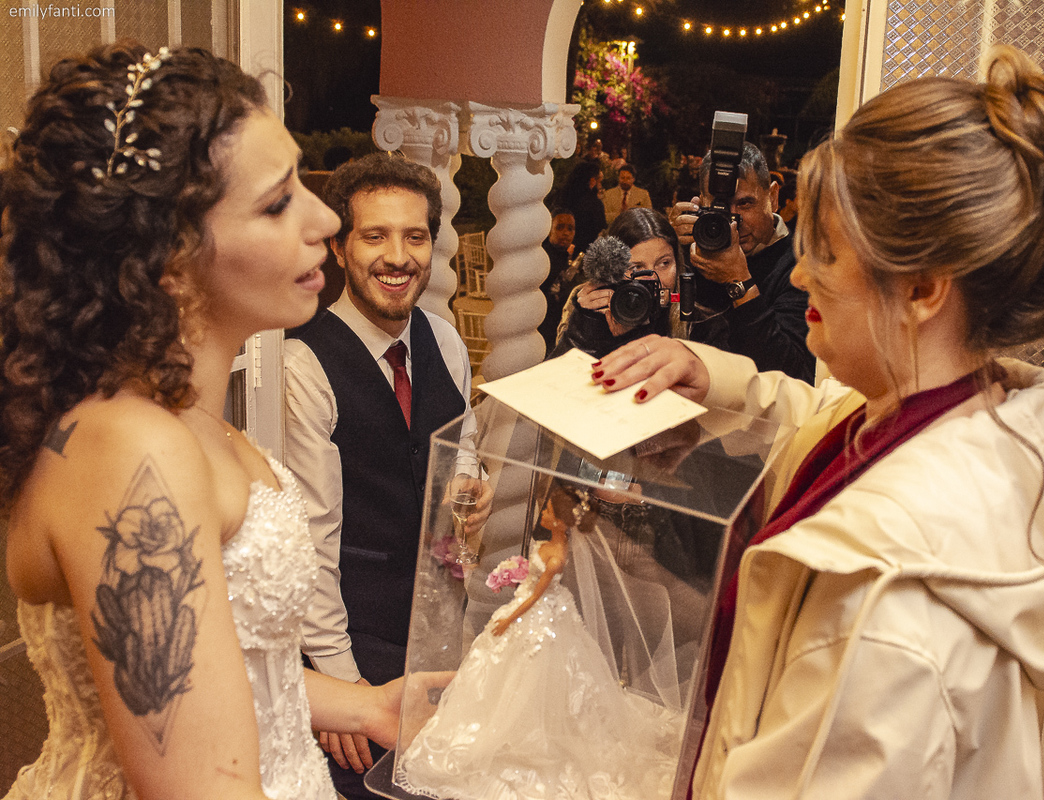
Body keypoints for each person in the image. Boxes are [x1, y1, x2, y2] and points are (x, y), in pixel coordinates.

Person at [592, 46, 1044, 799]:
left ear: (922, 289)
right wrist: (709, 374)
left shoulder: (887, 605)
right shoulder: (979, 407)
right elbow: (825, 416)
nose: (802, 272)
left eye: (828, 252)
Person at [0, 43, 408, 800]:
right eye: (279, 202)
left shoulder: (184, 419)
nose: (324, 219)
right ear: (167, 255)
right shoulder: (128, 450)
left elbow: (221, 663)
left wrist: (370, 704)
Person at [283, 152, 489, 799]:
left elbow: (464, 456)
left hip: (438, 631)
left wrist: (471, 496)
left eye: (415, 236)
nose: (397, 256)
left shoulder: (445, 340)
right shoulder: (304, 364)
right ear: (342, 247)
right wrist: (347, 689)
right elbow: (310, 542)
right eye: (375, 236)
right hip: (354, 642)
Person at [394, 484, 685, 800]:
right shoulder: (547, 546)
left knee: (537, 671)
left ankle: (532, 735)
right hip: (538, 606)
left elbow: (536, 596)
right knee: (508, 667)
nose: (543, 513)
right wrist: (511, 576)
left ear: (560, 520)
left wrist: (510, 616)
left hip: (541, 614)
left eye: (548, 511)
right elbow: (532, 580)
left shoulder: (557, 556)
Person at [671, 142, 816, 382]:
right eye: (719, 207)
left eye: (745, 204)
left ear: (773, 195)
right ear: (700, 204)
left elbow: (793, 375)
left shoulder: (801, 265)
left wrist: (738, 281)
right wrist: (672, 250)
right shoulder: (697, 250)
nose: (733, 221)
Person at [549, 208, 690, 360]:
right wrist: (587, 326)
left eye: (664, 263)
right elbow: (556, 378)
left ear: (677, 262)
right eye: (635, 268)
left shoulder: (688, 307)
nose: (652, 279)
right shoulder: (597, 303)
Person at [539, 208, 579, 353]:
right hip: (542, 329)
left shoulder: (566, 258)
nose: (566, 233)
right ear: (549, 230)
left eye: (571, 229)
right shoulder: (542, 257)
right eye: (560, 227)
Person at [558, 160, 607, 253]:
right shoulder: (594, 204)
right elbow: (600, 230)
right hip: (585, 252)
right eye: (599, 182)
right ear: (592, 181)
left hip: (561, 247)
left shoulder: (562, 197)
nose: (600, 186)